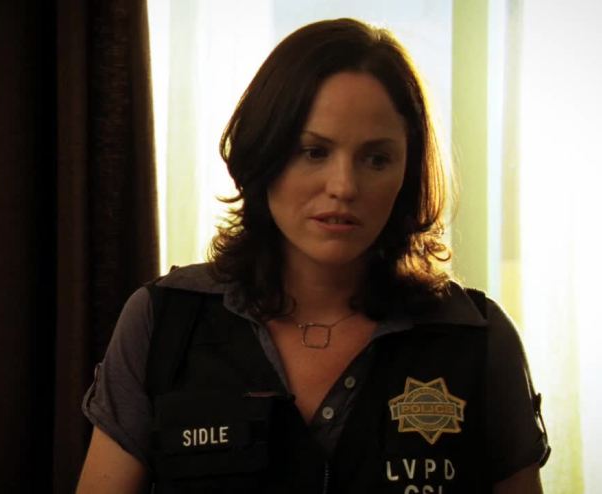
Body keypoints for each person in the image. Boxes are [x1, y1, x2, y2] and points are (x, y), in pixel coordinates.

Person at [76, 18, 549, 494]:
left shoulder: (478, 340)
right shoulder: (164, 323)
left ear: (408, 173)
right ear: (263, 152)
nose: (343, 186)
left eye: (376, 159)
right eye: (314, 152)